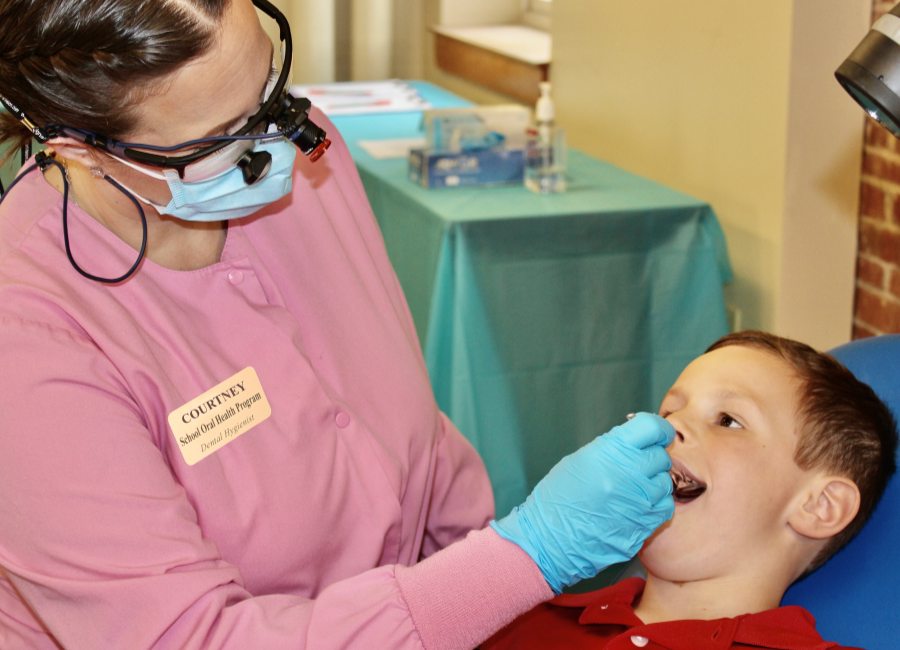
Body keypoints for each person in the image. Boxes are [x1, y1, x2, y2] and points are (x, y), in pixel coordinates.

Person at [0, 1, 678, 648]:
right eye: (223, 140)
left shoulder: (307, 160)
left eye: (270, 87)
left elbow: (404, 427)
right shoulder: (29, 340)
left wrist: (482, 579)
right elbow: (193, 640)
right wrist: (525, 557)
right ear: (81, 150)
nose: (278, 139)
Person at [482, 331, 899, 650]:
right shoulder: (514, 621)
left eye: (728, 420)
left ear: (819, 505)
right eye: (669, 410)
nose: (667, 427)